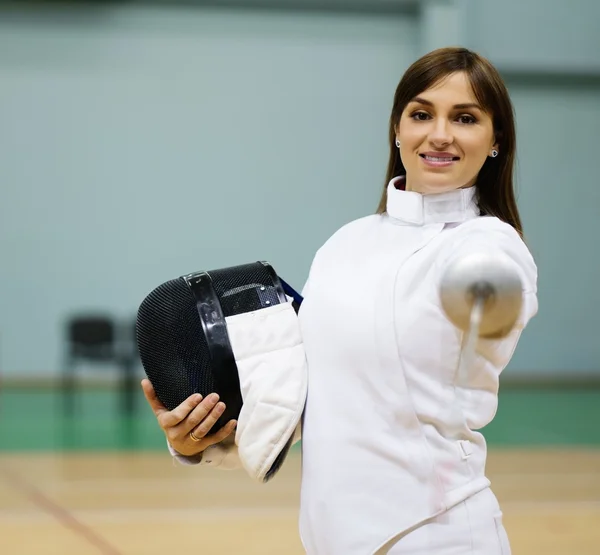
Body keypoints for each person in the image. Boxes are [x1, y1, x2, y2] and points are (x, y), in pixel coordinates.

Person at [141, 46, 538, 554]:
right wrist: (202, 443)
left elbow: (496, 292)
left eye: (465, 118)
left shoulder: (489, 245)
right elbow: (311, 403)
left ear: (495, 140)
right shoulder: (345, 244)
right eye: (421, 114)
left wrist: (492, 290)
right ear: (397, 130)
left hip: (437, 533)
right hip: (330, 537)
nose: (440, 134)